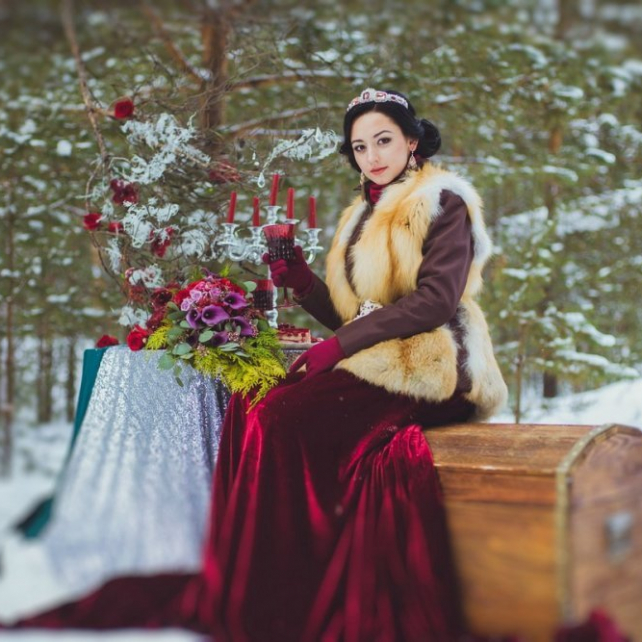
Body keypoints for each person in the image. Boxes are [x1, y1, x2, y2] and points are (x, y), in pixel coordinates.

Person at [5, 88, 507, 641]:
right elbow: (355, 316)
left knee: (281, 419)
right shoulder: (360, 214)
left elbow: (434, 302)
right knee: (253, 405)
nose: (372, 155)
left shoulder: (442, 201)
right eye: (360, 147)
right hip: (378, 360)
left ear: (412, 141)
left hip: (436, 364)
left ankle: (287, 591)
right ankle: (268, 580)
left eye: (383, 140)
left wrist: (338, 348)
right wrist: (302, 282)